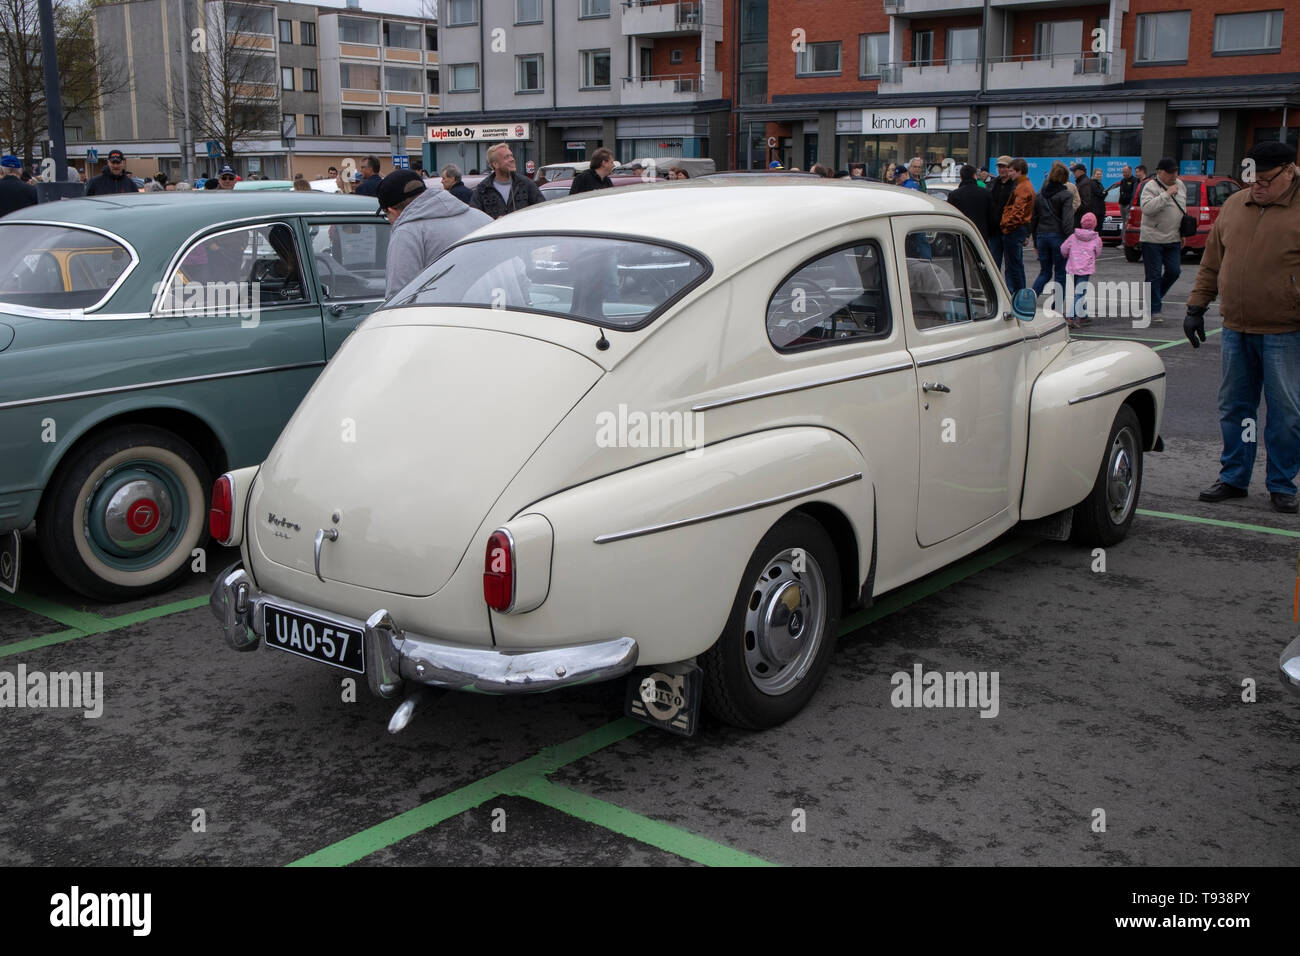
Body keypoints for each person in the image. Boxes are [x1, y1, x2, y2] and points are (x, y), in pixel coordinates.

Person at [1184, 141, 1300, 514]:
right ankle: (1235, 476)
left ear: (1289, 171)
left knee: (1285, 413)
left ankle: (1281, 483)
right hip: (1236, 328)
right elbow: (1212, 261)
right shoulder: (1236, 205)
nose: (1257, 188)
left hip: (1286, 331)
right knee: (1236, 407)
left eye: (1265, 180)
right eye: (1252, 181)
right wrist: (1196, 306)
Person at [378, 169, 491, 298]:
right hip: (496, 311)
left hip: (442, 315)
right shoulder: (483, 219)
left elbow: (399, 297)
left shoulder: (407, 233)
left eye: (387, 216)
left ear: (392, 211)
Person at [1140, 157, 1187, 323]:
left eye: (1175, 171)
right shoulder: (1150, 187)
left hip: (1173, 237)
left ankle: (1154, 297)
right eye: (1170, 172)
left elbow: (1181, 209)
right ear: (1160, 172)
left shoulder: (1180, 185)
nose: (1174, 175)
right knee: (1153, 274)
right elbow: (1147, 209)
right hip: (1152, 238)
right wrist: (1166, 194)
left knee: (1174, 271)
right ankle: (1154, 309)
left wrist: (1182, 233)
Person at [469, 143, 543, 219]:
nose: (512, 159)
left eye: (511, 156)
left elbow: (542, 210)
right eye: (506, 157)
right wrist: (493, 222)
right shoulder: (483, 189)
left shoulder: (526, 184)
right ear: (495, 164)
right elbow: (474, 218)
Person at [1031, 161, 1073, 298]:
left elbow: (1034, 219)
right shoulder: (1066, 195)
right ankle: (1058, 307)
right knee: (1060, 273)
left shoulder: (1040, 195)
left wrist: (1035, 240)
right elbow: (1067, 221)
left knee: (1045, 272)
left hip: (1042, 235)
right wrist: (1071, 238)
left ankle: (1030, 299)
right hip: (1058, 237)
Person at [1060, 211, 1101, 328]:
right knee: (1080, 293)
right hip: (1086, 268)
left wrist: (1068, 255)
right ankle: (1071, 316)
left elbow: (1063, 248)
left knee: (1078, 291)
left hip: (1074, 267)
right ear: (1094, 224)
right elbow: (1098, 252)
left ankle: (1082, 315)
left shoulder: (1073, 236)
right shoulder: (1096, 238)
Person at [999, 158, 1034, 292]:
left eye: (1012, 171)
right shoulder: (1025, 185)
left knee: (1014, 265)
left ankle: (1018, 294)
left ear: (1019, 171)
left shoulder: (1022, 187)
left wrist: (1006, 226)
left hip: (1014, 230)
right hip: (1018, 229)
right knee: (1016, 264)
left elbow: (1017, 212)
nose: (1009, 174)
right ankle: (1019, 292)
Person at [946, 164, 995, 241]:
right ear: (975, 176)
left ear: (961, 177)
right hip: (981, 234)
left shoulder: (954, 195)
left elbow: (950, 218)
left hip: (961, 233)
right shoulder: (985, 193)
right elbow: (992, 216)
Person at [987, 156, 1016, 268]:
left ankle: (1013, 286)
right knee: (994, 264)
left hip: (1010, 230)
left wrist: (1026, 233)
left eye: (1004, 167)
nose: (1001, 169)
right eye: (999, 166)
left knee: (1012, 265)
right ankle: (994, 286)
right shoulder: (992, 184)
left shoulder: (1016, 185)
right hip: (995, 230)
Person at [1070, 163, 1104, 227]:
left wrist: (1075, 209)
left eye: (1075, 171)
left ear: (1081, 172)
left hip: (1081, 218)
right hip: (1081, 217)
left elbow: (1085, 202)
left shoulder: (1084, 183)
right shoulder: (1081, 182)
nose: (1073, 173)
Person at [1117, 164, 1139, 231]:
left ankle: (1126, 239)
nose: (1123, 174)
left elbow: (1134, 193)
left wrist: (1131, 205)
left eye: (1125, 172)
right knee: (1124, 222)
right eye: (1123, 172)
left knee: (1128, 222)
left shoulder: (1135, 180)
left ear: (1130, 171)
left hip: (1129, 205)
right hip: (1122, 204)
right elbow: (1121, 192)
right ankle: (1123, 238)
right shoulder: (1123, 181)